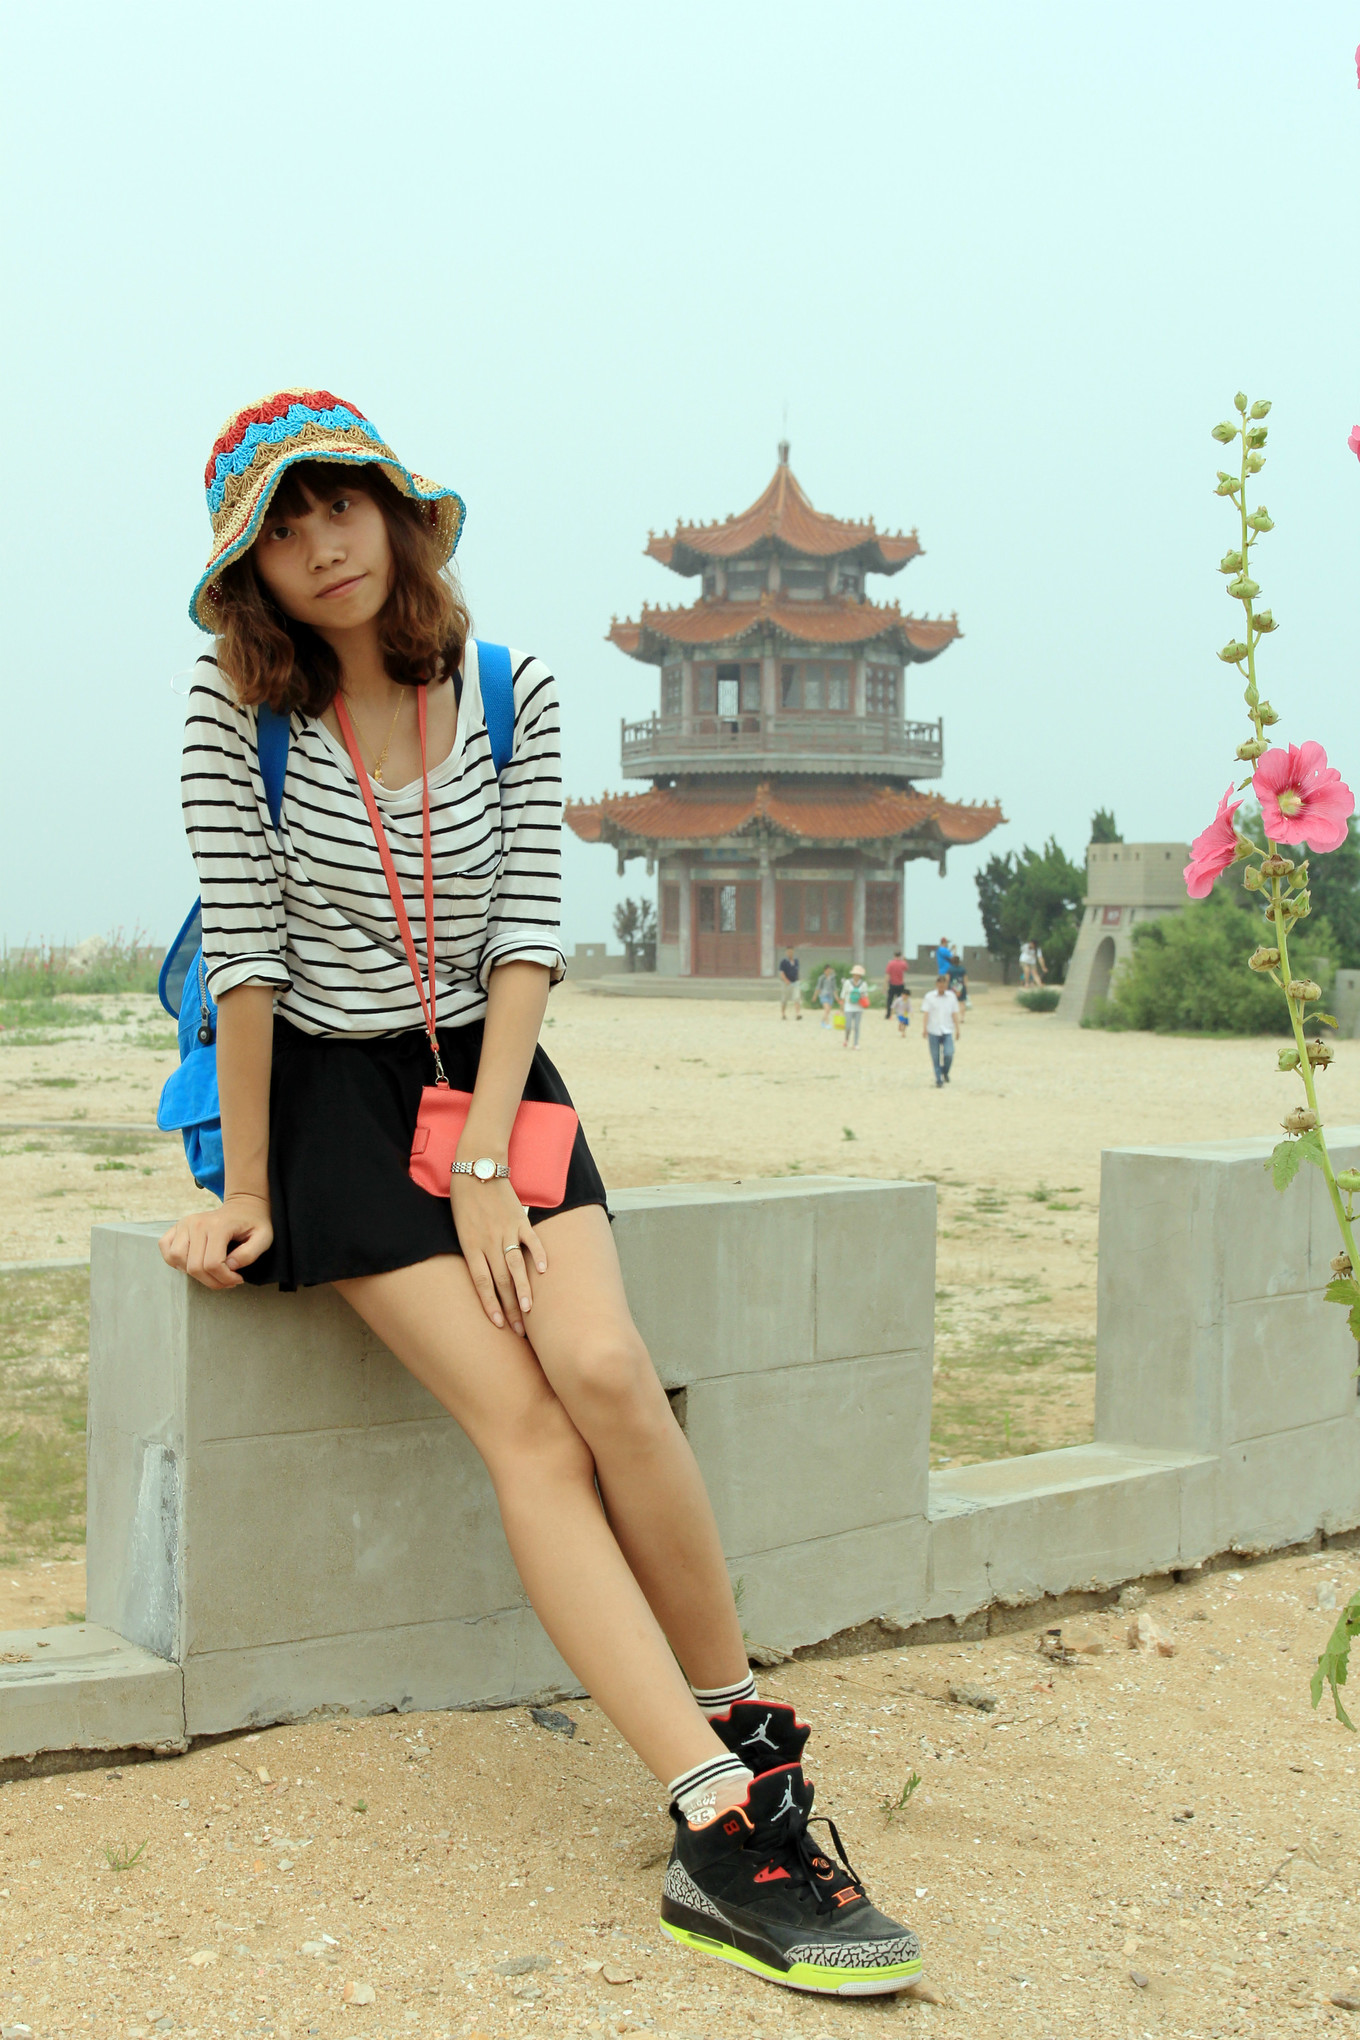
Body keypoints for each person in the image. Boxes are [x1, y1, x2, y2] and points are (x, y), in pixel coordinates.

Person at [156, 390, 919, 1999]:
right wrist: (248, 1183)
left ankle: (743, 1726)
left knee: (607, 1371)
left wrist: (491, 1160)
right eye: (283, 531)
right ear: (253, 576)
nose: (322, 545)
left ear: (396, 512)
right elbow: (249, 961)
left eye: (340, 503)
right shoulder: (237, 713)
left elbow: (523, 938)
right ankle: (717, 1825)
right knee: (524, 1424)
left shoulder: (513, 689)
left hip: (494, 1086)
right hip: (335, 1107)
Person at [922, 972, 962, 1086]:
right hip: (933, 1030)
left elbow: (954, 1013)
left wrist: (957, 1028)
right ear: (936, 984)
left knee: (949, 1053)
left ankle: (945, 1071)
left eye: (943, 984)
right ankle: (938, 1079)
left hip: (947, 1029)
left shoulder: (951, 997)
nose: (941, 987)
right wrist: (924, 1028)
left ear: (946, 985)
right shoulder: (929, 997)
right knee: (935, 1057)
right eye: (939, 984)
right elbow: (926, 1013)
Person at [841, 963, 871, 1048]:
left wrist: (862, 997)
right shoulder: (847, 982)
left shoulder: (863, 984)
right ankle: (846, 1038)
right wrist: (842, 1006)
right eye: (855, 974)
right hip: (849, 1006)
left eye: (858, 974)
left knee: (857, 1027)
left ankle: (855, 1043)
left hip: (859, 1007)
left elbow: (866, 995)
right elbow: (843, 993)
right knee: (848, 1026)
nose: (856, 976)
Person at [883, 946, 908, 1022]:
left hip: (892, 984)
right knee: (900, 1000)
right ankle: (899, 1013)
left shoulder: (890, 963)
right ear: (900, 955)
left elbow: (887, 975)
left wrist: (885, 986)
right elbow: (906, 968)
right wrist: (904, 960)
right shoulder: (903, 963)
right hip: (900, 984)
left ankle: (888, 1014)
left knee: (890, 1000)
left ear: (894, 955)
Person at [777, 946, 802, 1020]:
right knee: (784, 999)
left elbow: (797, 971)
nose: (790, 953)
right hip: (786, 983)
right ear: (786, 952)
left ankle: (798, 1014)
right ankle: (783, 1013)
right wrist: (786, 980)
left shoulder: (796, 961)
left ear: (793, 952)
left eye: (791, 952)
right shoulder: (783, 962)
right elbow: (781, 973)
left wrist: (799, 979)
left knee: (797, 997)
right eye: (788, 952)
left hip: (795, 982)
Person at [815, 963, 839, 1029]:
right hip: (823, 995)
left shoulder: (832, 978)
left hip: (830, 996)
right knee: (827, 1009)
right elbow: (818, 987)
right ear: (824, 971)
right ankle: (827, 1023)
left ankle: (822, 1021)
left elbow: (834, 988)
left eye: (829, 970)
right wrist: (815, 996)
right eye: (827, 970)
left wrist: (836, 996)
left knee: (828, 1011)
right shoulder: (821, 978)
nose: (828, 972)